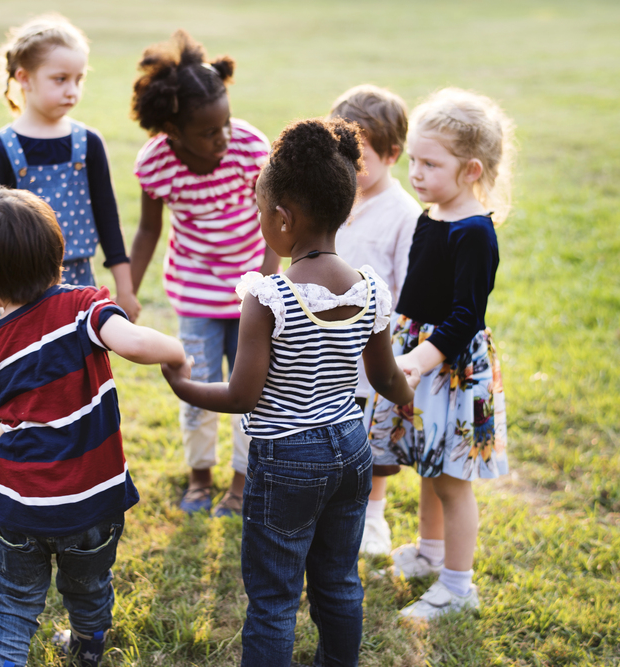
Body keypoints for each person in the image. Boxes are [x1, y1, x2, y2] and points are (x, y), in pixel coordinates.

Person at [162, 118, 418, 666]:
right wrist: (406, 391)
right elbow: (385, 376)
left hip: (286, 460)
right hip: (351, 449)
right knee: (339, 581)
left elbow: (242, 396)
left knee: (275, 597)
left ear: (282, 218)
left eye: (261, 214)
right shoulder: (370, 288)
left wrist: (186, 386)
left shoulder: (269, 295)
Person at [0, 188, 187, 667]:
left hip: (21, 508)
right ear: (60, 258)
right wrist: (178, 352)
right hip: (92, 502)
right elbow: (135, 343)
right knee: (88, 587)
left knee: (14, 604)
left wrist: (3, 434)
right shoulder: (84, 307)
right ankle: (86, 649)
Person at [368, 87, 514, 619]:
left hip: (451, 367)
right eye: (413, 161)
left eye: (431, 163)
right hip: (420, 354)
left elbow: (466, 316)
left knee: (453, 480)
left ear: (472, 170)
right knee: (429, 464)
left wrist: (419, 359)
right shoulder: (431, 217)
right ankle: (430, 553)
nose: (417, 174)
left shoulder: (475, 233)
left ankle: (458, 586)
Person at [129, 30, 278, 517]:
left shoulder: (249, 148)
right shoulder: (156, 163)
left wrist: (265, 284)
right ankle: (198, 478)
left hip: (250, 293)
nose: (223, 138)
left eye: (226, 124)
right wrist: (127, 288)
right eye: (209, 132)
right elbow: (150, 231)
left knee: (248, 389)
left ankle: (240, 483)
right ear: (172, 129)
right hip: (194, 295)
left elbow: (275, 220)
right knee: (194, 387)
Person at [0, 13, 138, 335]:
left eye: (79, 79)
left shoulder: (89, 143)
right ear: (24, 78)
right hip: (16, 284)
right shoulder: (1, 148)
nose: (72, 90)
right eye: (60, 79)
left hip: (77, 281)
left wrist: (126, 288)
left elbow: (107, 217)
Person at [328, 84, 422, 556]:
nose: (349, 166)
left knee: (371, 441)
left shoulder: (404, 214)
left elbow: (407, 290)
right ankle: (328, 502)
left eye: (359, 157)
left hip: (372, 347)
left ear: (392, 153)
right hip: (324, 344)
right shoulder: (337, 197)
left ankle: (373, 515)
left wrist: (394, 351)